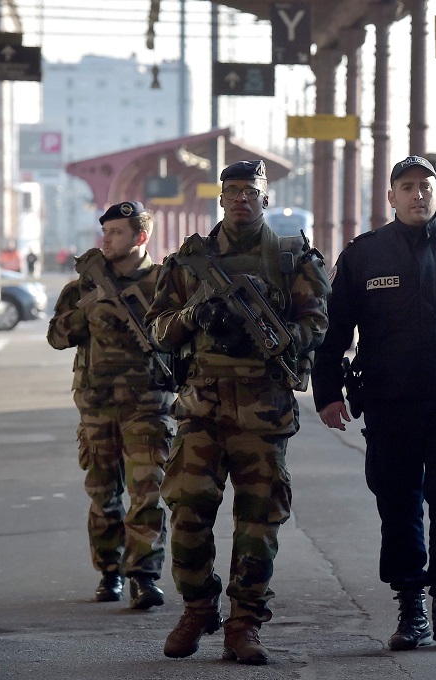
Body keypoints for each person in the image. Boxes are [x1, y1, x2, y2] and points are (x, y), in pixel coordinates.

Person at [312, 155, 436, 652]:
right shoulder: (364, 257)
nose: (417, 195)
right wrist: (327, 393)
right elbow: (332, 332)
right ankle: (411, 610)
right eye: (406, 187)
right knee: (398, 505)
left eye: (426, 187)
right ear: (391, 197)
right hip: (389, 403)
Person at [147, 160, 330, 665]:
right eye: (233, 191)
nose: (242, 199)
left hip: (263, 412)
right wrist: (195, 315)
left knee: (258, 524)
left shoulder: (292, 259)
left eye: (251, 191)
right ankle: (199, 606)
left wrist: (271, 332)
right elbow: (157, 332)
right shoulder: (190, 262)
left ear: (265, 199)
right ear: (221, 199)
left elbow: (319, 324)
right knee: (185, 514)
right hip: (201, 410)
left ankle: (244, 624)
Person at [46, 201, 172, 611]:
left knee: (147, 491)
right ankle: (109, 572)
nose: (107, 239)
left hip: (148, 403)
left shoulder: (163, 283)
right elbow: (57, 337)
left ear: (141, 237)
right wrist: (89, 308)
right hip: (97, 405)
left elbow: (183, 337)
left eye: (117, 232)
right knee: (103, 494)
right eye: (106, 232)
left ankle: (144, 577)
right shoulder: (84, 284)